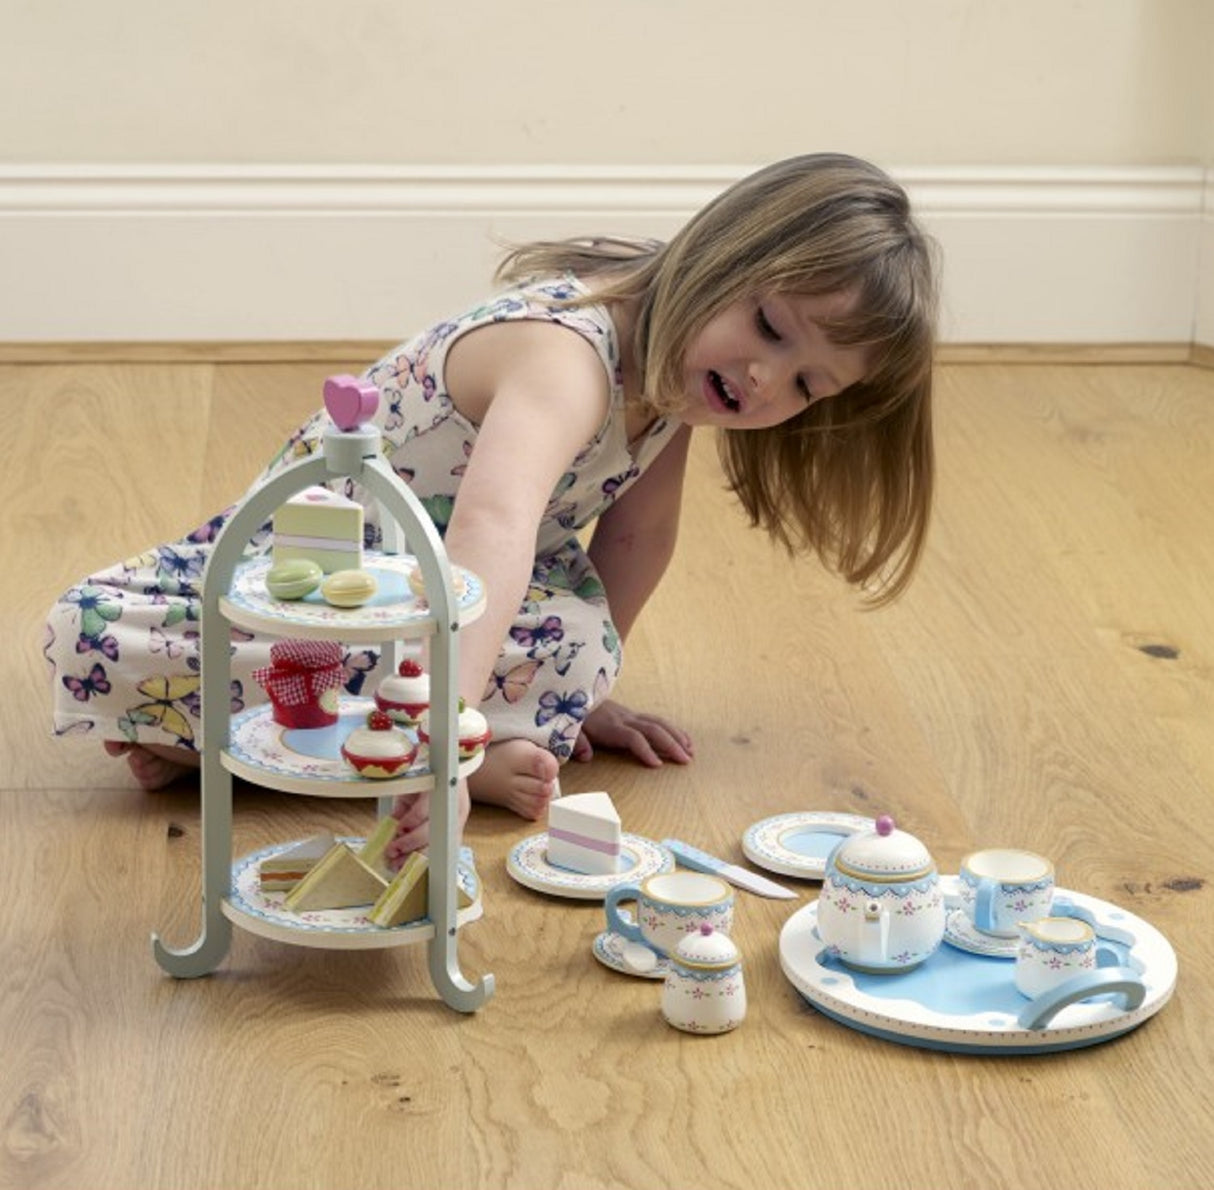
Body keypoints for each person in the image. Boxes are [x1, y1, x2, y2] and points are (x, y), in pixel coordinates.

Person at [45, 153, 938, 862]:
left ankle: (254, 743)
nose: (762, 379)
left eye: (806, 384)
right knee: (85, 627)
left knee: (582, 644)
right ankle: (420, 753)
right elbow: (493, 528)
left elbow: (641, 534)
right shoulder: (566, 354)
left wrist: (590, 692)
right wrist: (445, 739)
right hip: (321, 572)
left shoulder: (676, 382)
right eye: (771, 330)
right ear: (722, 254)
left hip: (445, 600)